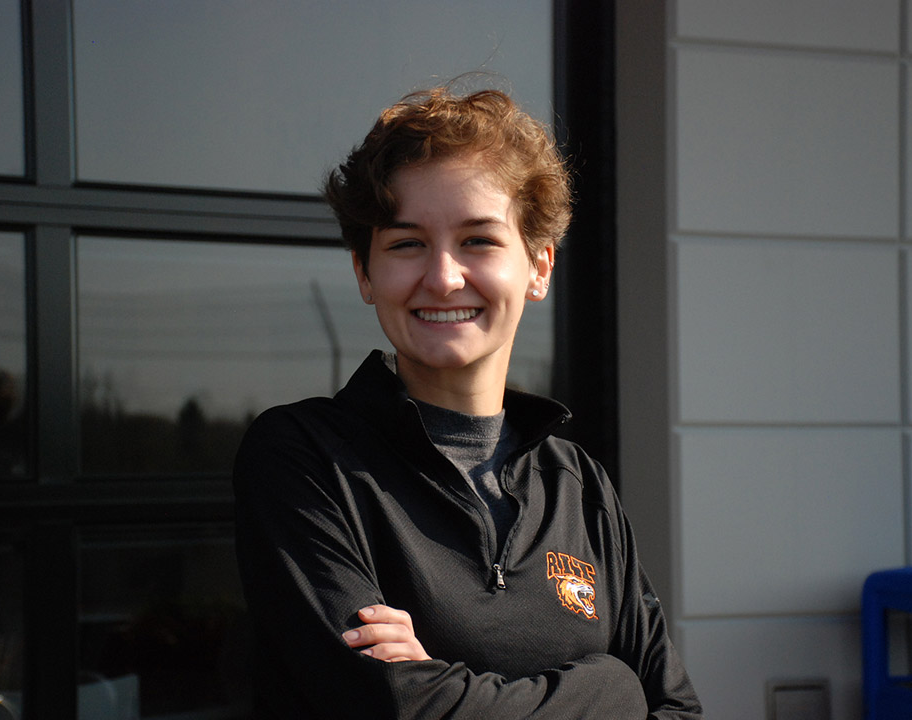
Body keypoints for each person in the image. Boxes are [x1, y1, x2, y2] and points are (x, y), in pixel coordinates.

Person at [234, 85, 702, 719]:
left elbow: (676, 711)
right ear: (365, 273)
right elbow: (390, 708)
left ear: (538, 267)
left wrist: (439, 683)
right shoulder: (305, 459)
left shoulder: (577, 484)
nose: (444, 276)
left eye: (479, 240)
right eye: (406, 244)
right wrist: (612, 689)